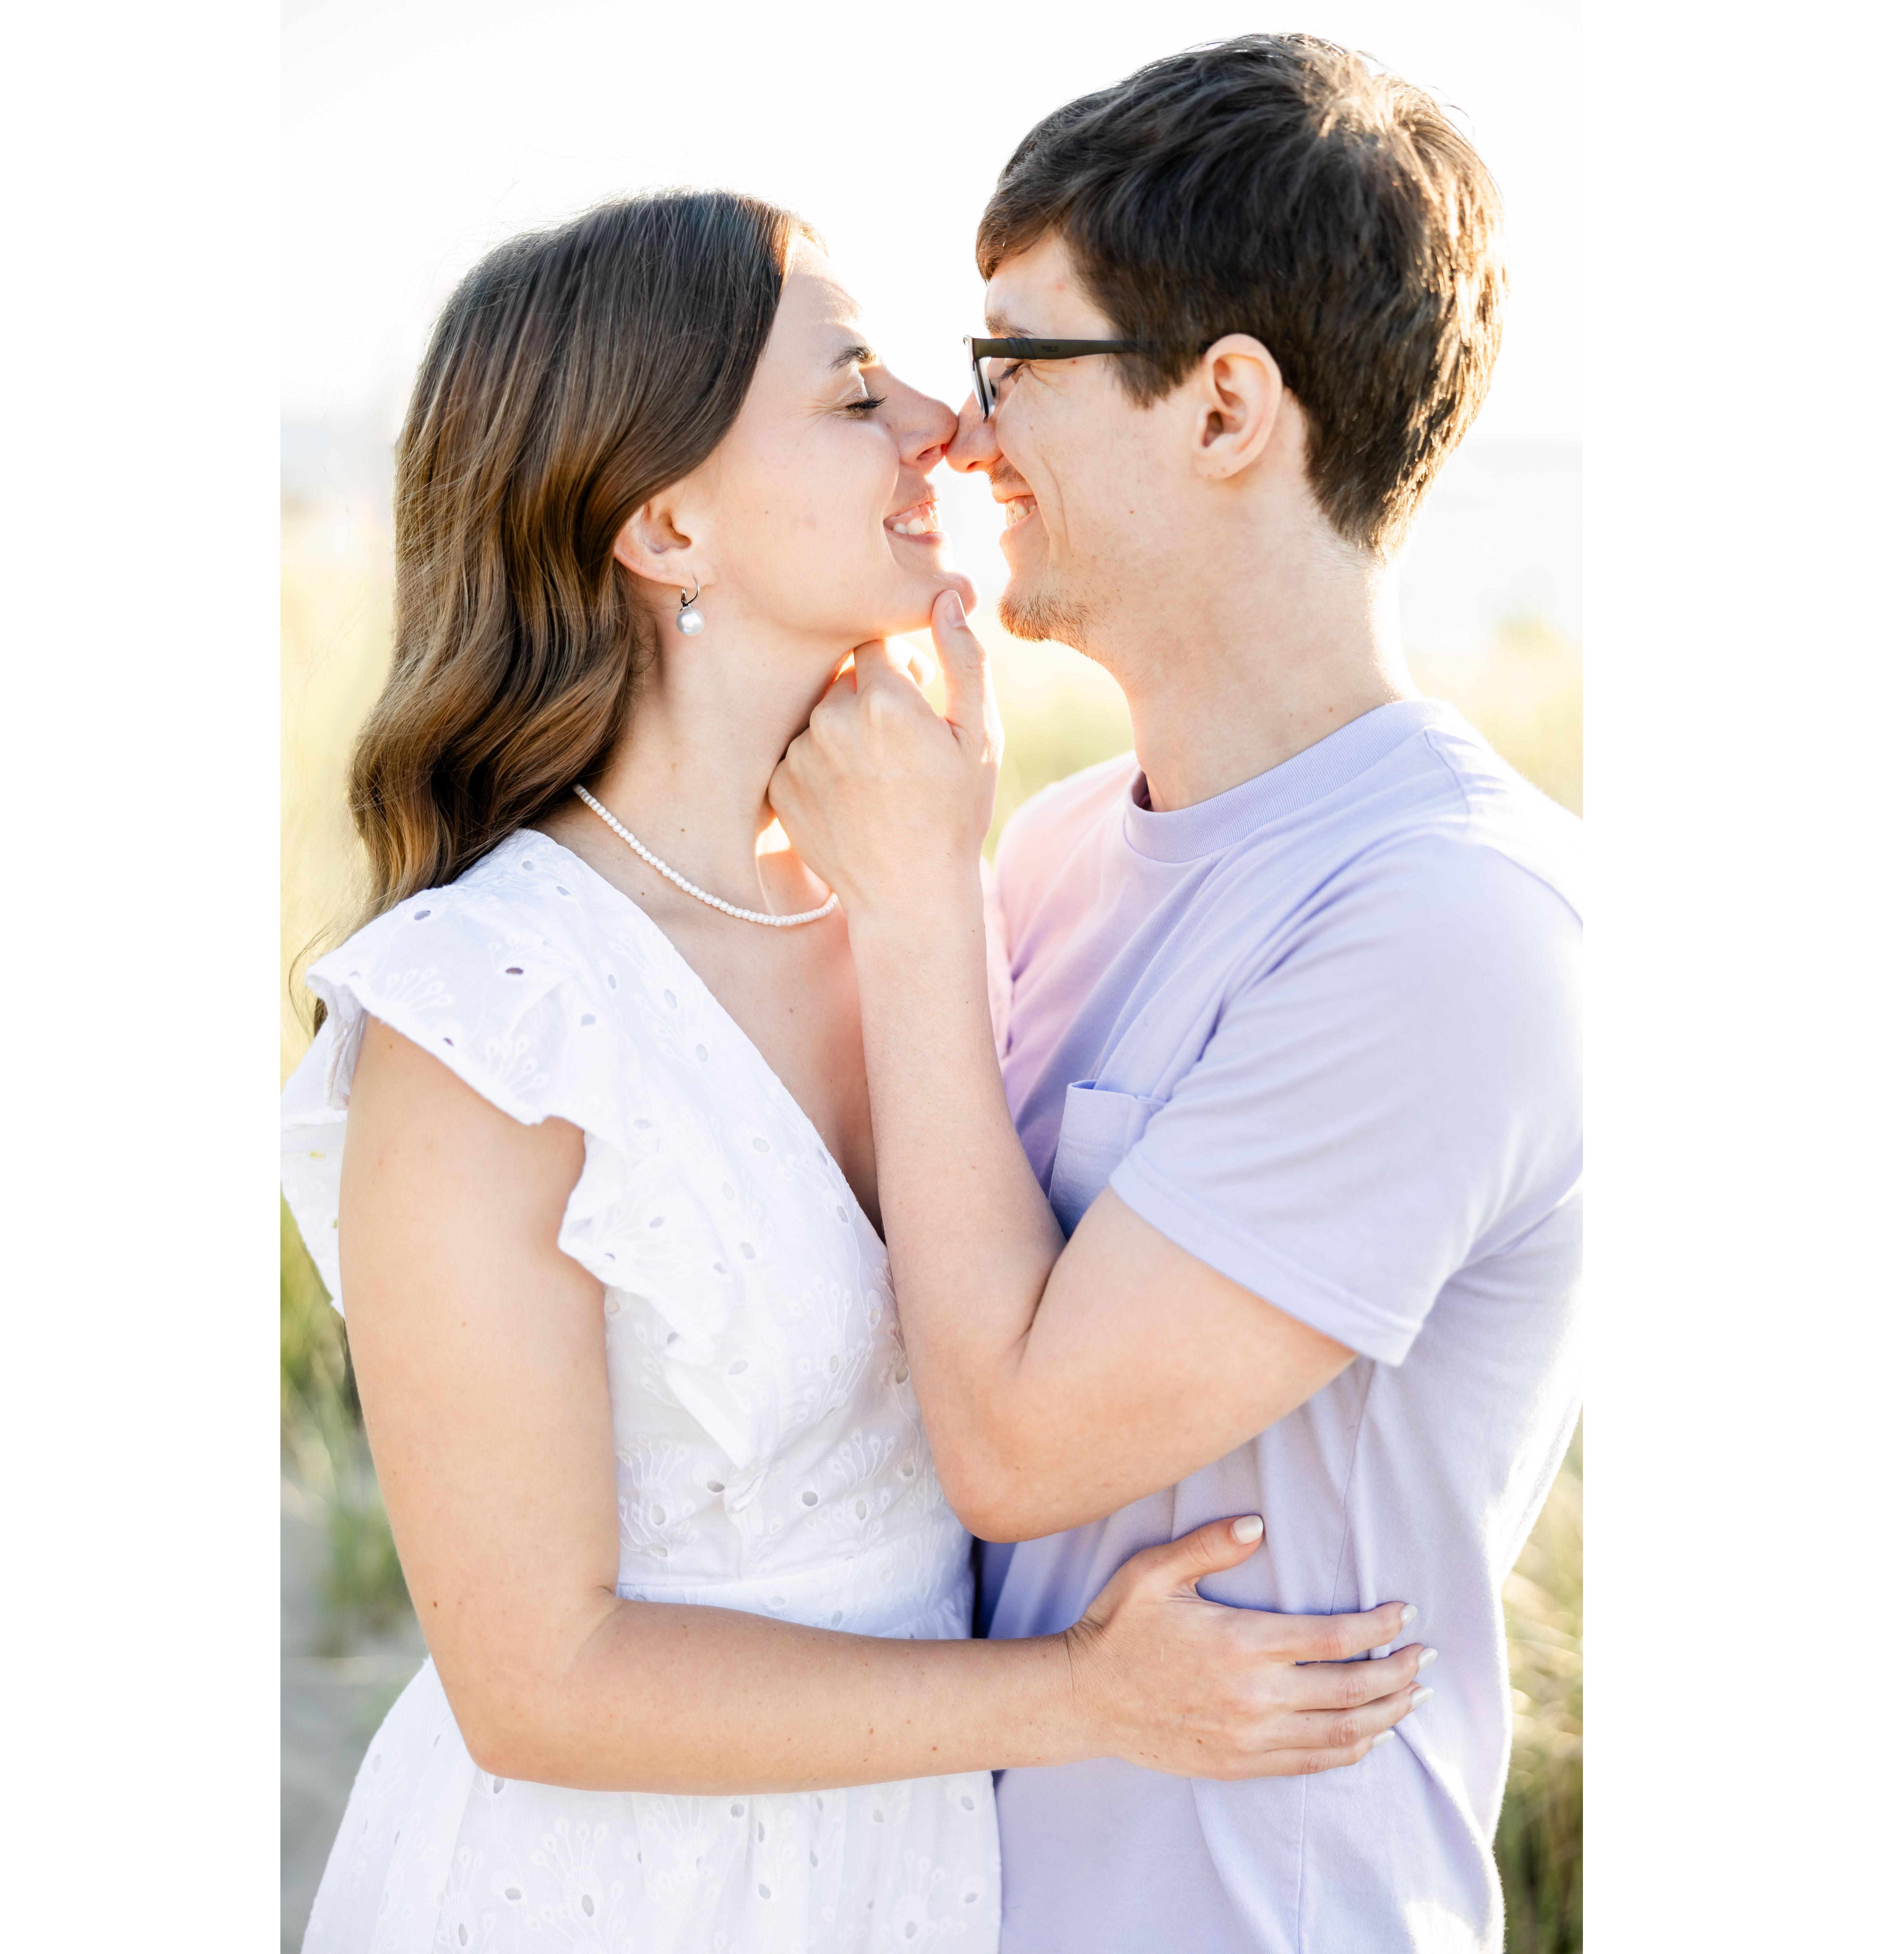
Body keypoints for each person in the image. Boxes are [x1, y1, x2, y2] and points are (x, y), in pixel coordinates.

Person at [279, 188, 1427, 1953]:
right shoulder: (485, 1013)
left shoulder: (922, 894)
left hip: (910, 1880)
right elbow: (539, 1681)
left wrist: (927, 897)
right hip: (605, 1895)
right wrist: (1085, 1699)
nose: (948, 431)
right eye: (854, 395)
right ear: (668, 524)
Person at [768, 35, 1582, 1954]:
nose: (961, 440)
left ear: (1225, 407)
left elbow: (1021, 1445)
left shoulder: (1455, 927)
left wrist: (907, 910)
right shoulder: (1050, 848)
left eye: (1012, 365)